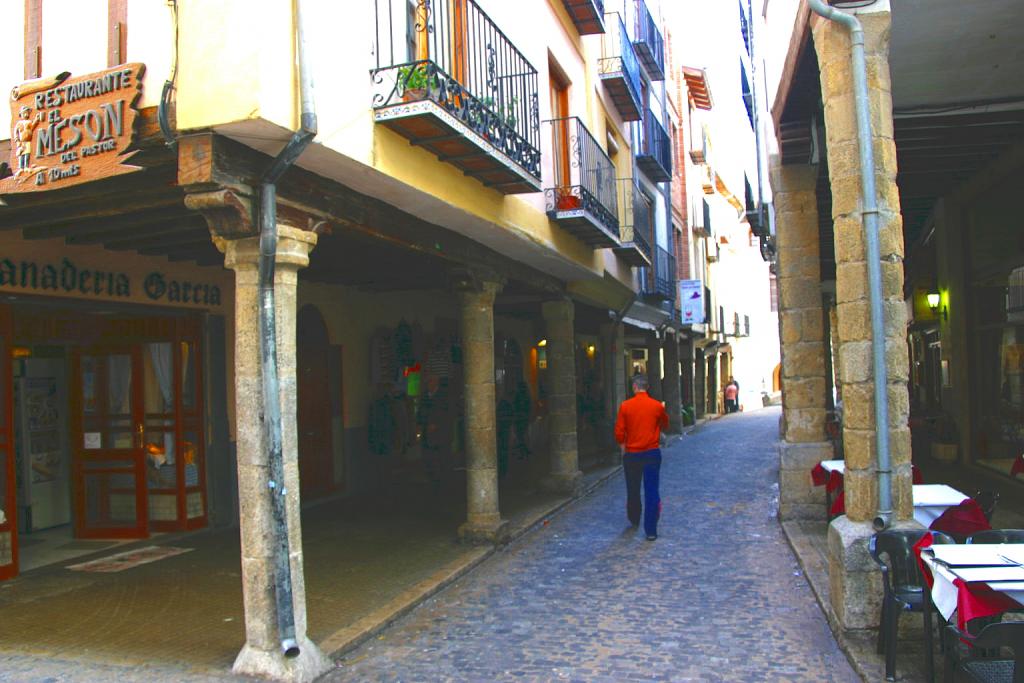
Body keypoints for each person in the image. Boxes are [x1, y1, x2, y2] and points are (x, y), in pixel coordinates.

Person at [614, 374, 669, 541]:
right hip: (651, 452)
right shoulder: (656, 406)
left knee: (633, 488)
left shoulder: (625, 406)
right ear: (647, 387)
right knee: (651, 489)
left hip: (632, 453)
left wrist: (622, 445)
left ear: (634, 387)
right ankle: (651, 529)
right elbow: (665, 423)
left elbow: (619, 431)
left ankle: (634, 517)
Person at [511, 380, 532, 460]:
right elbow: (528, 407)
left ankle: (523, 452)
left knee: (520, 436)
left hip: (519, 418)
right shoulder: (526, 396)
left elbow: (515, 406)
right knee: (522, 436)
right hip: (524, 418)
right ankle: (524, 452)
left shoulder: (518, 396)